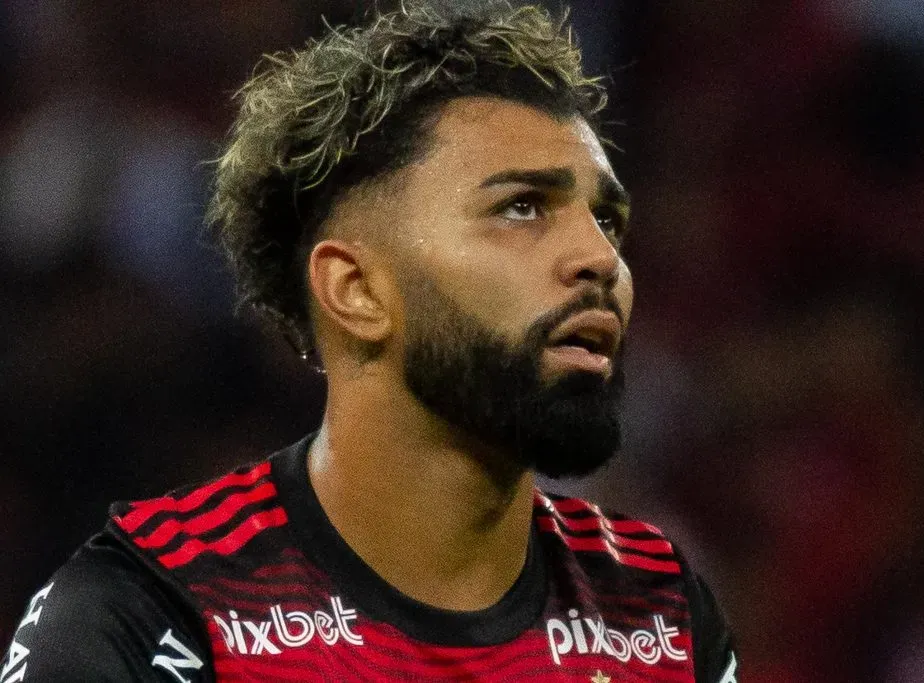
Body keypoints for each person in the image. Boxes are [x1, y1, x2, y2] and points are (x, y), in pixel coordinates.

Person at [2, 2, 737, 680]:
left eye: (606, 219)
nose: (601, 259)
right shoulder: (149, 614)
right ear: (356, 290)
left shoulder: (659, 607)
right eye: (521, 208)